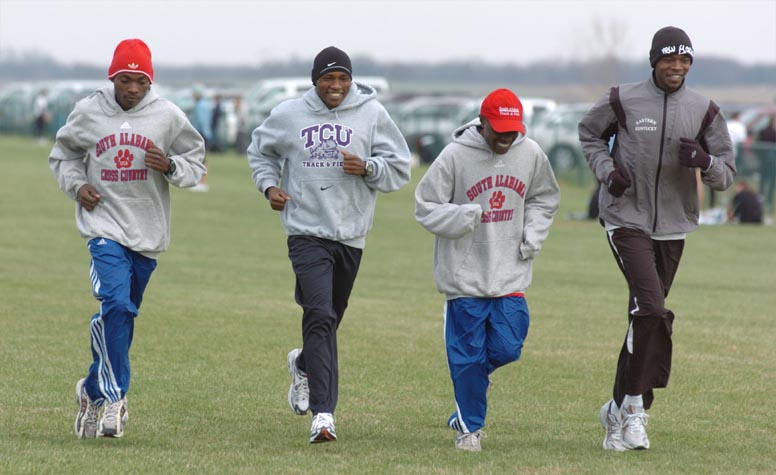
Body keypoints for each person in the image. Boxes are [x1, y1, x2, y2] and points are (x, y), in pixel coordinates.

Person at [579, 26, 735, 451]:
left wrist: (704, 162)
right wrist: (607, 172)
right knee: (650, 307)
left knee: (644, 317)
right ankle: (633, 411)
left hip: (673, 225)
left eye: (684, 60)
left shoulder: (704, 110)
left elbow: (726, 172)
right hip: (625, 218)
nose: (677, 67)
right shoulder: (622, 99)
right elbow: (589, 134)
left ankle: (617, 411)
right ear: (654, 60)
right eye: (670, 59)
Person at [246, 46, 411, 444]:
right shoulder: (289, 114)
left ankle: (304, 364)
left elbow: (401, 167)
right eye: (328, 78)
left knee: (330, 319)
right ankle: (324, 415)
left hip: (351, 235)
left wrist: (369, 167)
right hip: (305, 231)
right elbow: (259, 151)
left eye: (342, 79)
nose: (335, 86)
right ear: (315, 80)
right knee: (318, 314)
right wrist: (269, 186)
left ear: (351, 82)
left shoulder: (372, 114)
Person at [48, 38, 207, 439]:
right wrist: (77, 185)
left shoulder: (167, 116)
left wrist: (169, 164)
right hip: (103, 227)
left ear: (149, 81)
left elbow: (196, 162)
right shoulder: (88, 111)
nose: (132, 88)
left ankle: (91, 388)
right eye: (124, 80)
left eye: (139, 81)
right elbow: (63, 154)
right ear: (112, 77)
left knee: (121, 316)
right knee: (115, 302)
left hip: (147, 233)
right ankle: (116, 398)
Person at [415, 88, 560, 452]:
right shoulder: (454, 156)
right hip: (464, 277)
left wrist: (533, 234)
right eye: (499, 131)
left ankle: (471, 386)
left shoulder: (530, 153)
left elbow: (545, 197)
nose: (506, 138)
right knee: (466, 356)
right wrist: (464, 215)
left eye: (512, 131)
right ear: (482, 124)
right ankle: (469, 429)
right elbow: (425, 206)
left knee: (509, 347)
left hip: (510, 271)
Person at [756, 115, 776, 212]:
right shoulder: (774, 133)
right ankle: (769, 199)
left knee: (762, 180)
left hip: (763, 160)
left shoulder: (762, 131)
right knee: (771, 181)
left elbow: (758, 143)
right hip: (772, 162)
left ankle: (761, 196)